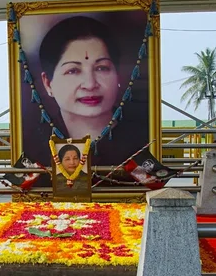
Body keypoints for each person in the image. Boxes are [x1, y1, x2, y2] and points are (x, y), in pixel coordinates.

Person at [21, 14, 149, 183]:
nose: (90, 84)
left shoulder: (141, 141)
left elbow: (151, 185)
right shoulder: (34, 144)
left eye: (102, 68)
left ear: (118, 76)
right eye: (73, 71)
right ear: (48, 83)